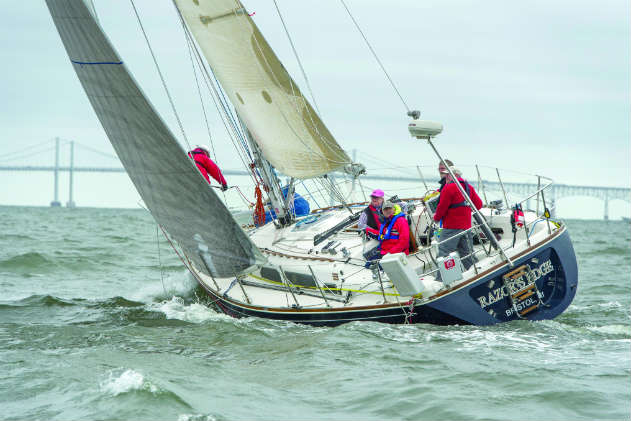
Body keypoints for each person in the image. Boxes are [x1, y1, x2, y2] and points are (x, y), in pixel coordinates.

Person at [433, 167, 483, 272]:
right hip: (466, 227)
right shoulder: (468, 187)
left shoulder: (448, 188)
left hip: (451, 228)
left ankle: (441, 281)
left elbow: (441, 208)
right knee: (467, 255)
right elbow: (479, 205)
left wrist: (436, 219)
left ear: (453, 175)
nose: (445, 177)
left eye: (447, 174)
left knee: (444, 254)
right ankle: (477, 273)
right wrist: (465, 210)